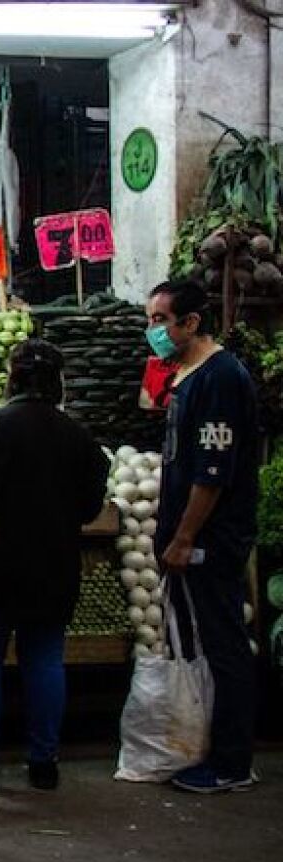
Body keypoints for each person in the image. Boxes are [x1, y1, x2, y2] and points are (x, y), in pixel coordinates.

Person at [0, 340, 109, 793]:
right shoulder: (79, 436)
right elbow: (91, 508)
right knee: (46, 661)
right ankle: (44, 762)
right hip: (55, 566)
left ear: (12, 378)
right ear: (58, 381)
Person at [145, 280, 261, 794]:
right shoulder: (189, 376)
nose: (154, 331)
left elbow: (212, 472)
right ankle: (214, 748)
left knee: (225, 646)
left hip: (211, 540)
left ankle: (233, 762)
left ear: (191, 322)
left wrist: (185, 535)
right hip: (195, 537)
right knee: (213, 644)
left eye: (160, 320)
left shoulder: (219, 379)